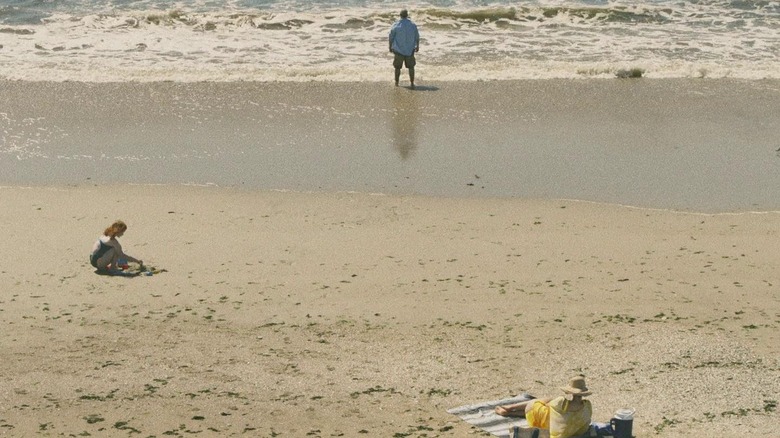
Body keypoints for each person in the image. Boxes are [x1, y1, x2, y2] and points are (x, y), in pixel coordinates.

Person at [495, 376, 593, 438]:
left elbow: (547, 405)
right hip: (558, 428)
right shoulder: (587, 406)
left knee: (539, 403)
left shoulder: (561, 402)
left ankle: (510, 407)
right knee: (549, 412)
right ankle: (510, 412)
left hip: (540, 420)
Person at [389, 9, 419, 89]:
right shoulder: (412, 25)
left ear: (400, 15)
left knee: (397, 68)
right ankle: (412, 82)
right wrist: (417, 46)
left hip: (398, 50)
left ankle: (396, 82)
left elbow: (391, 37)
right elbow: (417, 36)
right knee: (411, 67)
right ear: (407, 15)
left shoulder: (396, 24)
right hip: (410, 50)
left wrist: (390, 46)